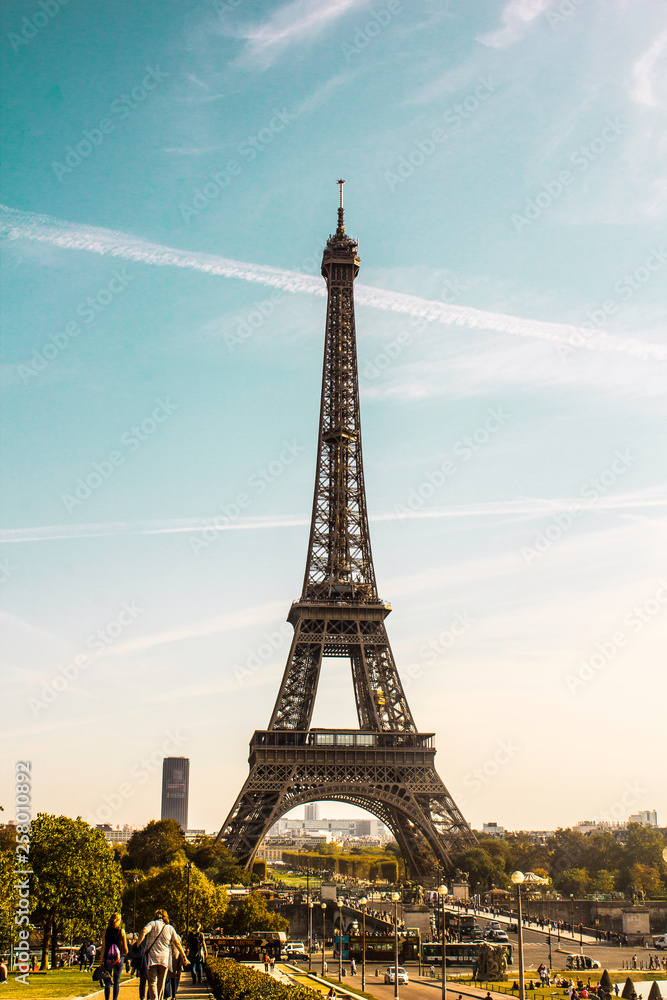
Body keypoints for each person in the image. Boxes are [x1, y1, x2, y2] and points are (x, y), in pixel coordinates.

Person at [136, 909, 188, 1000]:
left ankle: (154, 999)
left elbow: (144, 931)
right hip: (164, 958)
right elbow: (177, 943)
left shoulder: (152, 924)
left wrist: (138, 944)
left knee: (152, 981)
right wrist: (184, 956)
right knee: (161, 983)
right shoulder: (170, 928)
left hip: (152, 958)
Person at [100, 913, 128, 1000]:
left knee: (107, 981)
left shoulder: (105, 932)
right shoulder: (121, 931)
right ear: (118, 921)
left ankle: (107, 998)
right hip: (118, 958)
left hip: (108, 958)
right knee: (116, 981)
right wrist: (127, 957)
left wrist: (101, 960)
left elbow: (103, 947)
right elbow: (125, 947)